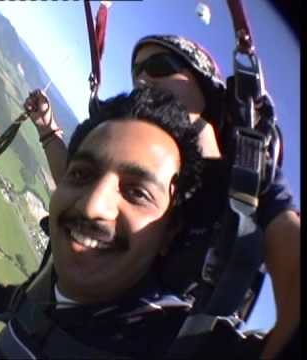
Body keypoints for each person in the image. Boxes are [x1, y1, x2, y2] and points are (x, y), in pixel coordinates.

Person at [25, 35, 300, 359]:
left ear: (204, 84)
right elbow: (78, 188)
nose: (142, 78)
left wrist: (263, 189)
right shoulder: (143, 154)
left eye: (159, 66)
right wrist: (46, 128)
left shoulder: (248, 182)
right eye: (137, 71)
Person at [0, 85, 216, 358]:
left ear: (169, 233)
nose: (92, 206)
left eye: (137, 192)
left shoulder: (174, 341)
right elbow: (3, 304)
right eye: (82, 175)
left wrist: (256, 200)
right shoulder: (43, 293)